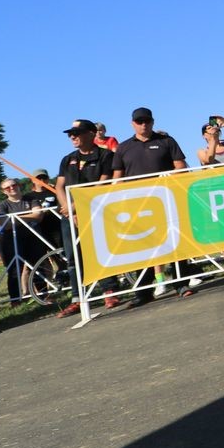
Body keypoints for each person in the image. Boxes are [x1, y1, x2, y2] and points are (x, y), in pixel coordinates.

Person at [112, 107, 189, 303]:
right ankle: (143, 292)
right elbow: (117, 178)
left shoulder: (166, 141)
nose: (143, 124)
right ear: (132, 124)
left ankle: (181, 284)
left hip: (165, 200)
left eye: (147, 120)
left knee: (173, 242)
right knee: (141, 246)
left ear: (152, 122)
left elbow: (181, 167)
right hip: (136, 204)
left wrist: (162, 179)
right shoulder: (123, 147)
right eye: (139, 121)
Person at [54, 119, 116, 316]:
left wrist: (76, 206)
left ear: (91, 133)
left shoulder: (106, 155)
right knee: (73, 257)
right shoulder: (67, 159)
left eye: (77, 132)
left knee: (101, 251)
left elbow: (103, 183)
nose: (72, 136)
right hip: (70, 215)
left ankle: (110, 291)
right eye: (70, 133)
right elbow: (59, 186)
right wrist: (66, 208)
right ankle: (78, 298)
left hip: (95, 211)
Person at [0, 177, 48, 305]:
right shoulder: (2, 205)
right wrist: (28, 216)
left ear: (19, 186)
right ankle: (15, 300)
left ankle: (44, 295)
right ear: (3, 191)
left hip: (32, 236)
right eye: (7, 187)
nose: (12, 188)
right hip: (10, 239)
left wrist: (14, 217)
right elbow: (4, 224)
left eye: (14, 185)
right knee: (14, 270)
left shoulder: (31, 199)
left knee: (38, 266)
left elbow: (38, 215)